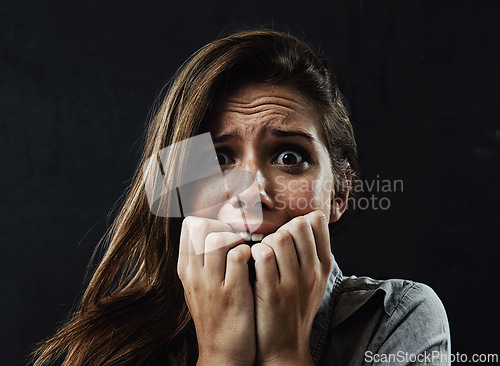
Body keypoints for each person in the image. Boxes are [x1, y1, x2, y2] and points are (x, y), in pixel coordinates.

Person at [32, 30, 450, 365]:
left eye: (290, 156)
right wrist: (221, 356)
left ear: (339, 193)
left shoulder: (397, 318)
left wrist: (285, 353)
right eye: (217, 158)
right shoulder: (108, 346)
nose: (253, 194)